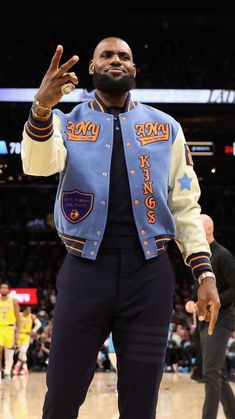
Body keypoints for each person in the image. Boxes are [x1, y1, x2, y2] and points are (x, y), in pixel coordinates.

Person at [21, 37, 220, 419]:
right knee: (61, 394)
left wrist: (204, 271)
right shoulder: (66, 121)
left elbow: (184, 203)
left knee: (141, 399)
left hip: (149, 276)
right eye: (107, 55)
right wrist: (41, 108)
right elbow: (38, 165)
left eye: (124, 56)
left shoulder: (166, 128)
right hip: (84, 271)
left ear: (134, 69)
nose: (116, 60)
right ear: (92, 69)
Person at [186, 213, 235, 419]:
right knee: (218, 374)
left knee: (210, 374)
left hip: (222, 320)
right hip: (205, 322)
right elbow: (200, 290)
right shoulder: (201, 258)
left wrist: (211, 302)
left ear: (207, 229)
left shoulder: (222, 255)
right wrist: (191, 301)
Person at [0, 281, 20, 384]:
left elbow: (18, 317)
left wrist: (18, 332)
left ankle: (7, 372)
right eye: (1, 287)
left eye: (5, 288)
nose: (3, 289)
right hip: (0, 328)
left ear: (8, 290)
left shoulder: (13, 301)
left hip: (10, 329)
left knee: (9, 355)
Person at [12, 305, 42, 375]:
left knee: (23, 351)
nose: (29, 311)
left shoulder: (32, 316)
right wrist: (16, 330)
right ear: (24, 310)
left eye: (30, 310)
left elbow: (39, 324)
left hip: (26, 336)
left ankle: (17, 367)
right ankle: (25, 369)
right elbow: (13, 322)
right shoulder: (19, 314)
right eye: (28, 310)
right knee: (19, 352)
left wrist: (33, 330)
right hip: (19, 335)